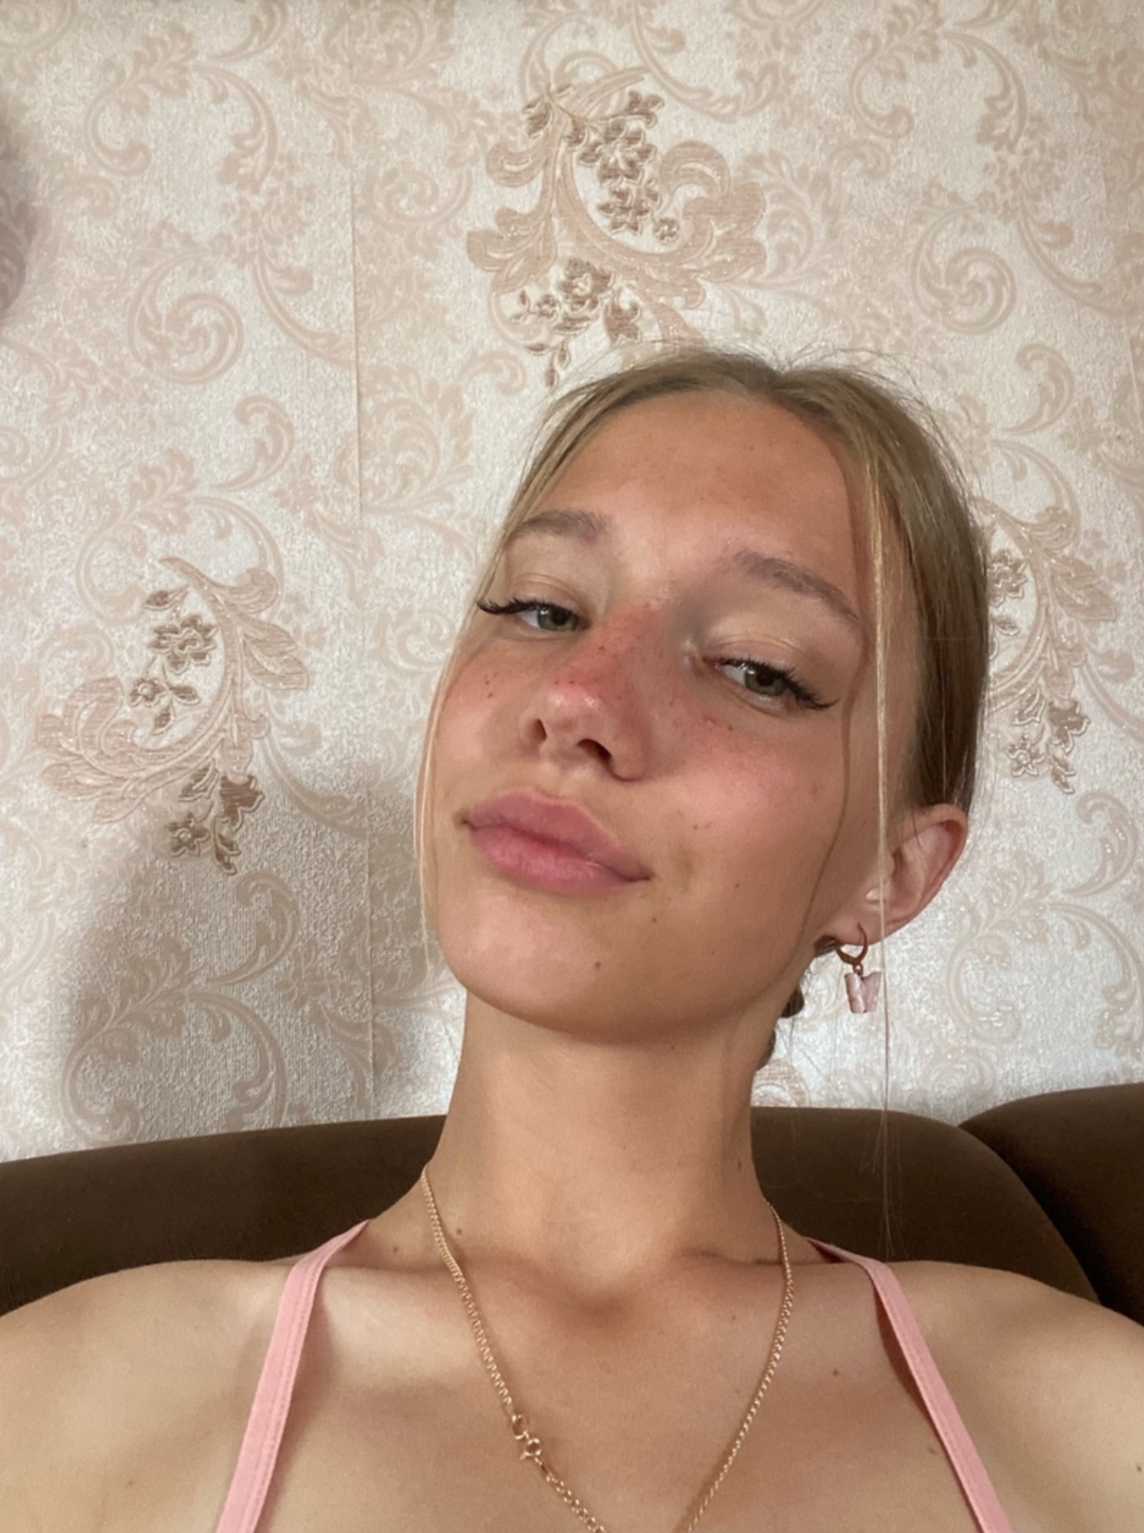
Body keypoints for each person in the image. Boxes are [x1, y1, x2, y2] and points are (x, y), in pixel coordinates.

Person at [1, 346, 1142, 1533]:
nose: (578, 698)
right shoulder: (58, 1412)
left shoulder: (1086, 1417)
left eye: (756, 669)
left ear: (891, 873)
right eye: (541, 609)